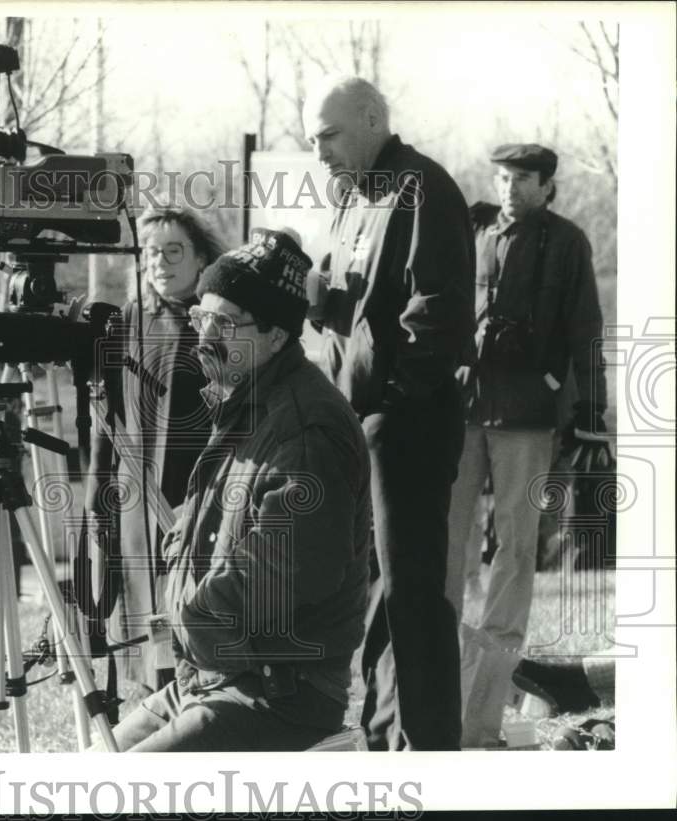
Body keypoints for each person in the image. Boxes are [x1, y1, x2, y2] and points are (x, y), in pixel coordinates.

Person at [97, 228, 371, 752]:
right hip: (212, 677)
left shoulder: (305, 428)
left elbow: (285, 571)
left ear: (275, 336)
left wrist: (187, 620)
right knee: (85, 770)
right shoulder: (246, 401)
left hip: (277, 696)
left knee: (106, 796)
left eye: (224, 323)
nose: (204, 338)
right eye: (201, 318)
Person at [302, 76, 475, 750]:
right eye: (313, 139)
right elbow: (359, 307)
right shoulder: (354, 197)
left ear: (372, 118)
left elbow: (438, 311)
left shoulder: (421, 187)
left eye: (330, 135)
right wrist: (320, 303)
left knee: (411, 595)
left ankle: (429, 750)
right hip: (359, 414)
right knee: (373, 593)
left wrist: (396, 400)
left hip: (405, 424)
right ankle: (383, 740)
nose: (319, 152)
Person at [444, 143, 610, 747]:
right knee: (445, 554)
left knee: (513, 558)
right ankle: (440, 695)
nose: (510, 187)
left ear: (546, 186)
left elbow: (587, 329)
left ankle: (480, 719)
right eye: (503, 176)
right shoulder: (475, 227)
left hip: (529, 419)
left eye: (524, 179)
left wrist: (589, 414)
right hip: (462, 410)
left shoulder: (567, 243)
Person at [79, 205, 223, 695]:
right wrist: (97, 494)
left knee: (192, 611)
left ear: (201, 256)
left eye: (173, 250)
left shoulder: (222, 323)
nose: (160, 262)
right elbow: (105, 419)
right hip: (135, 504)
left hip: (198, 500)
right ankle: (142, 714)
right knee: (138, 616)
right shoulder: (128, 322)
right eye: (151, 252)